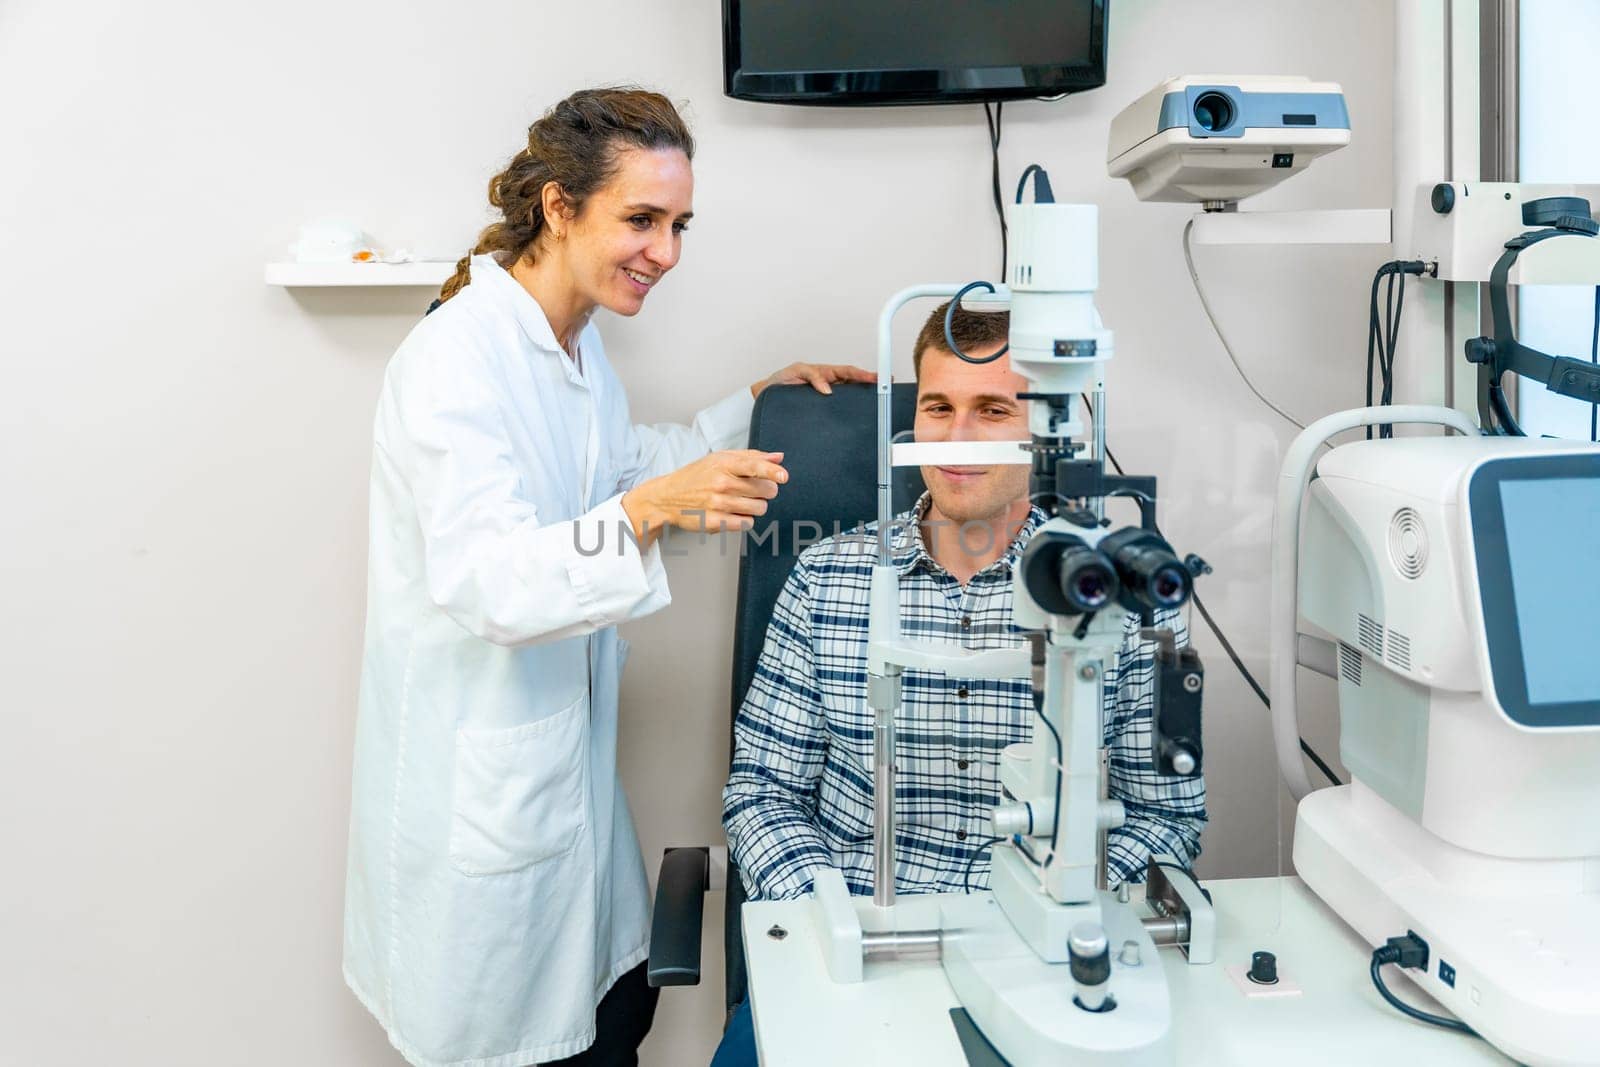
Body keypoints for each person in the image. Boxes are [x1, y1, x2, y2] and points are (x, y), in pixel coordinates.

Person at [341, 86, 871, 1067]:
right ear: (557, 206)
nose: (665, 251)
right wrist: (649, 510)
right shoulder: (457, 360)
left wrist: (754, 407)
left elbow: (627, 465)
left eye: (678, 224)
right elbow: (488, 578)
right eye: (641, 219)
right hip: (486, 823)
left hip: (563, 794)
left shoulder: (574, 351)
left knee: (614, 1012)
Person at [711, 301, 1207, 1064]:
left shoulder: (1123, 592)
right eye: (939, 406)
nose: (958, 437)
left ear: (1045, 429)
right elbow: (762, 793)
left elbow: (1168, 812)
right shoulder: (827, 576)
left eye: (993, 409)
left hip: (1041, 954)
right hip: (857, 945)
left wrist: (1060, 906)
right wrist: (834, 915)